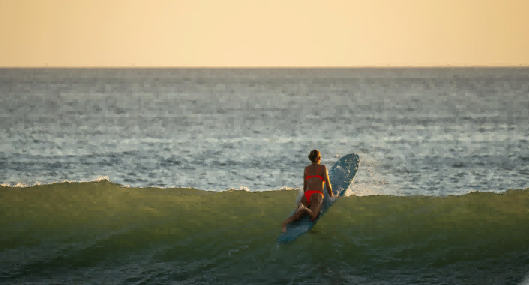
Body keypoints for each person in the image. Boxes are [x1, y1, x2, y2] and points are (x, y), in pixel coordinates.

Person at [281, 149, 333, 233]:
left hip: (307, 194)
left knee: (296, 216)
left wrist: (305, 198)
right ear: (319, 158)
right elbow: (328, 184)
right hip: (317, 194)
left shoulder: (306, 169)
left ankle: (284, 224)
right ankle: (304, 208)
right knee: (313, 216)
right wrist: (332, 196)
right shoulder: (323, 168)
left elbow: (305, 186)